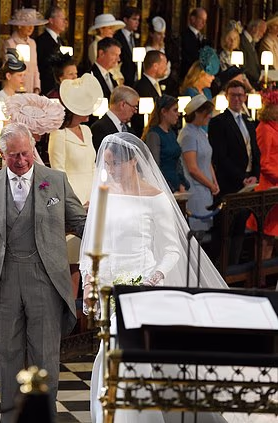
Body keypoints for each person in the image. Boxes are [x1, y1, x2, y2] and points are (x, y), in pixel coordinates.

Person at [80, 131, 228, 423]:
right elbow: (92, 246)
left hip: (142, 287)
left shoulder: (155, 198)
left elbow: (173, 249)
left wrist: (153, 278)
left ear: (133, 161)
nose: (108, 170)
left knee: (129, 357)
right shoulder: (103, 194)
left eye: (114, 164)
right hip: (108, 287)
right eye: (106, 164)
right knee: (110, 354)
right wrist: (87, 283)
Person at [0, 122, 86, 423]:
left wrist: (105, 241)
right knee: (8, 354)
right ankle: (11, 417)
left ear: (34, 149)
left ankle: (44, 416)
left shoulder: (54, 180)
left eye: (26, 154)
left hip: (44, 278)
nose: (21, 161)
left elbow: (80, 221)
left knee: (44, 354)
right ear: (2, 154)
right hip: (5, 279)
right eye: (14, 155)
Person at [48, 73, 102, 296]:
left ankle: (90, 314)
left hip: (93, 198)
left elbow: (94, 166)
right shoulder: (58, 134)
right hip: (74, 201)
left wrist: (97, 196)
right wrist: (76, 204)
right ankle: (70, 314)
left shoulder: (88, 131)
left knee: (92, 258)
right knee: (72, 259)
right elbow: (57, 172)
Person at [209, 80, 260, 264]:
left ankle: (235, 268)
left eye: (240, 95)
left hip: (248, 184)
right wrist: (242, 178)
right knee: (225, 231)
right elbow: (221, 158)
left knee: (240, 229)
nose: (237, 99)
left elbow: (255, 151)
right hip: (229, 184)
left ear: (245, 97)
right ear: (227, 97)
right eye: (233, 95)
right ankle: (222, 271)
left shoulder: (249, 121)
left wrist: (255, 174)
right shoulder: (218, 122)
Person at [179, 94, 219, 232]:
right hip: (196, 190)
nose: (210, 116)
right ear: (197, 113)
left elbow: (207, 160)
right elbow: (193, 168)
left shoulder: (201, 133)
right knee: (197, 234)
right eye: (207, 113)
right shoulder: (187, 135)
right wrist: (211, 185)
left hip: (206, 188)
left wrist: (214, 182)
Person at [248, 89, 278, 261]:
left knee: (270, 238)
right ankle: (260, 281)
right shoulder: (265, 129)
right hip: (268, 187)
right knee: (265, 237)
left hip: (275, 186)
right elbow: (264, 163)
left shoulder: (274, 128)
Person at [143, 95, 189, 193]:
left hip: (176, 184)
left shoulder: (171, 133)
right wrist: (169, 188)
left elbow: (177, 162)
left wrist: (182, 183)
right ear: (164, 112)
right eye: (175, 110)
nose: (178, 114)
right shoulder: (154, 134)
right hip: (164, 187)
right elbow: (155, 166)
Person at [3, 8, 46, 94]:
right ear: (19, 25)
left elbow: (35, 67)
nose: (31, 28)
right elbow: (10, 69)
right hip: (15, 90)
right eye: (28, 24)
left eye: (33, 25)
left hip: (31, 90)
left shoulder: (32, 43)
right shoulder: (10, 43)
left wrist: (36, 87)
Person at [91, 85, 139, 151]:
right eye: (134, 107)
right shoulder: (99, 128)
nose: (135, 111)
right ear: (123, 105)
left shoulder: (130, 131)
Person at [36, 5, 68, 95]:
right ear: (51, 20)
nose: (65, 22)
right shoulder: (41, 41)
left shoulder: (62, 41)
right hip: (47, 87)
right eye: (62, 19)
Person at [114, 6, 140, 87]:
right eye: (134, 19)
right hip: (123, 78)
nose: (137, 22)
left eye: (138, 20)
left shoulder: (135, 37)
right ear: (125, 19)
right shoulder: (117, 37)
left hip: (134, 78)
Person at [180, 7, 210, 78]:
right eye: (201, 19)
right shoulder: (185, 36)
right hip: (189, 74)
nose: (203, 23)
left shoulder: (203, 39)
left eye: (205, 20)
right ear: (193, 19)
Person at [240, 19, 266, 89]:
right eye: (261, 32)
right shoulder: (242, 41)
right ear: (254, 28)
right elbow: (244, 66)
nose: (262, 35)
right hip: (247, 85)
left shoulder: (251, 42)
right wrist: (259, 78)